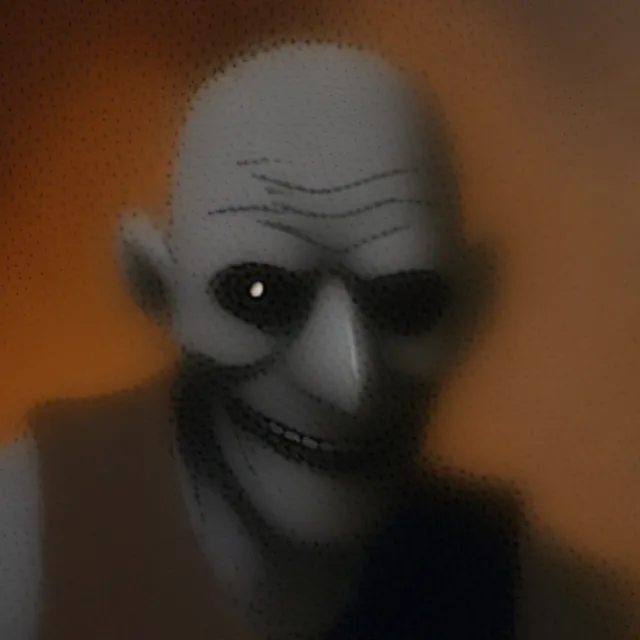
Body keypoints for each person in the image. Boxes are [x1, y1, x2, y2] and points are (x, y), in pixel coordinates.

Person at [0, 41, 631, 640]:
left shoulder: (535, 599)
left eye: (404, 300)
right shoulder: (30, 542)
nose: (348, 379)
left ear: (468, 302)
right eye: (259, 294)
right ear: (157, 287)